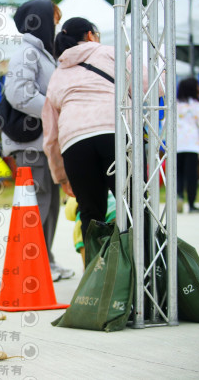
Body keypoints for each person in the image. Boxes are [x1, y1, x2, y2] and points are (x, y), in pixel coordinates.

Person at [0, 0, 73, 281]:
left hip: (41, 142)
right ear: (41, 20)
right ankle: (35, 265)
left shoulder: (41, 53)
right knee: (39, 205)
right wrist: (55, 108)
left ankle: (45, 260)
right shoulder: (27, 54)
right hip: (30, 145)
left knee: (50, 205)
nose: (55, 26)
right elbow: (19, 95)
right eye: (53, 20)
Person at [41, 17, 117, 260]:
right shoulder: (109, 54)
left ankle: (95, 281)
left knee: (90, 215)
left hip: (75, 145)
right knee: (135, 207)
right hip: (112, 134)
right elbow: (152, 85)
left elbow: (51, 135)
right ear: (91, 35)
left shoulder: (58, 75)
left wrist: (61, 177)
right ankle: (142, 276)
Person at [176, 78, 199, 213]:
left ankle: (178, 196)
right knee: (191, 175)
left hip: (177, 144)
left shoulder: (174, 105)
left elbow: (165, 123)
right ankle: (191, 204)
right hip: (192, 144)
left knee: (177, 174)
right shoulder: (197, 106)